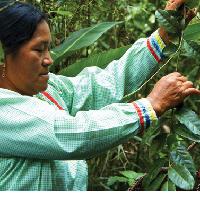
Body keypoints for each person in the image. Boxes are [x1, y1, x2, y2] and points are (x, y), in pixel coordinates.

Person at [0, 0, 199, 191]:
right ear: (4, 56)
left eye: (48, 49)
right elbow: (73, 133)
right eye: (38, 50)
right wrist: (149, 105)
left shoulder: (46, 90)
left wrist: (162, 37)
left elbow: (101, 85)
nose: (49, 60)